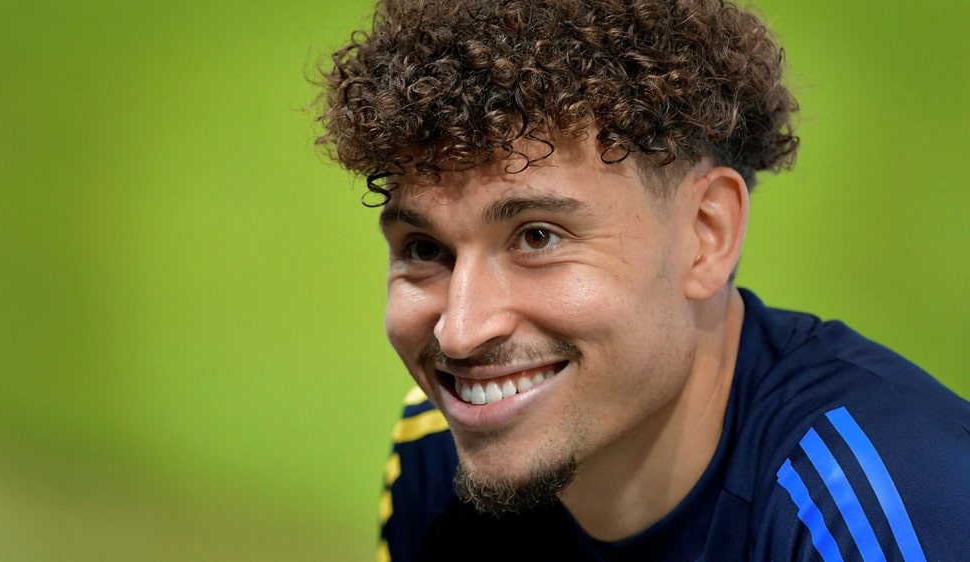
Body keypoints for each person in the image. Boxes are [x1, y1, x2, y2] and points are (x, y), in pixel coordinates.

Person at [317, 0, 970, 560]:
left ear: (706, 234)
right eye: (425, 249)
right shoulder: (440, 447)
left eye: (538, 237)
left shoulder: (883, 511)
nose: (460, 333)